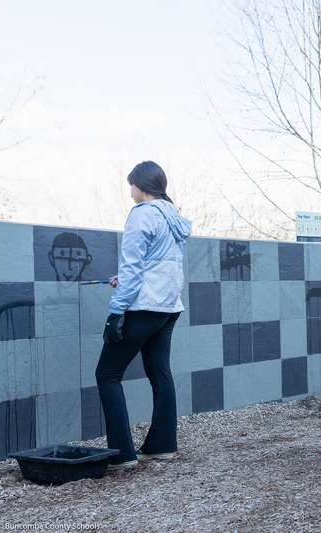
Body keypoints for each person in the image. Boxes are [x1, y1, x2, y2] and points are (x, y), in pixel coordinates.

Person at [96, 161, 192, 470]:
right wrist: (123, 279)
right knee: (160, 372)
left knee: (107, 375)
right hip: (168, 307)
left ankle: (121, 455)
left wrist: (116, 310)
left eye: (131, 186)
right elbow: (154, 264)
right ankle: (162, 446)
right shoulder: (172, 216)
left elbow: (134, 265)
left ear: (141, 185)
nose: (130, 193)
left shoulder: (141, 214)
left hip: (143, 307)